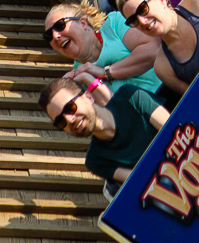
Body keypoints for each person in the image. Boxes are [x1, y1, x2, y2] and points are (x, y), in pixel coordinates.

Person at [38, 77, 169, 183]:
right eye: (60, 121)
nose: (69, 120)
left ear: (88, 97)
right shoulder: (96, 161)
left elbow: (175, 130)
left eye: (70, 108)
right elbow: (142, 182)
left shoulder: (129, 98)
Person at [44, 0, 161, 95]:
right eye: (49, 36)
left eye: (60, 25)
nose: (55, 36)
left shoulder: (114, 23)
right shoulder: (77, 77)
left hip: (168, 91)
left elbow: (152, 50)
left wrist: (104, 72)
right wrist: (67, 90)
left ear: (83, 23)